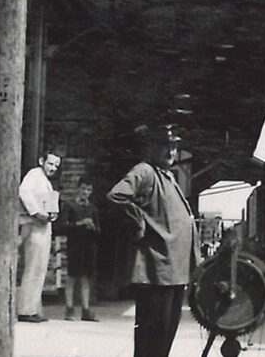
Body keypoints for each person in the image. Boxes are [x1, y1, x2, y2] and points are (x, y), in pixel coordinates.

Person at [107, 125, 201, 357]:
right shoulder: (145, 171)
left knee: (165, 334)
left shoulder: (167, 176)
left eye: (174, 146)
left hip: (173, 271)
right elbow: (116, 196)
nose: (170, 151)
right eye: (164, 146)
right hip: (156, 270)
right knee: (153, 336)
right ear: (150, 147)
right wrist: (138, 220)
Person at [17, 150, 61, 323]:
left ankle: (33, 308)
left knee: (40, 268)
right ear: (42, 161)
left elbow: (50, 203)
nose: (53, 168)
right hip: (34, 226)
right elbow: (24, 192)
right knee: (33, 267)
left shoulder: (46, 181)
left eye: (56, 165)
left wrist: (52, 213)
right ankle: (25, 310)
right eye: (50, 163)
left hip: (44, 226)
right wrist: (35, 212)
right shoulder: (34, 175)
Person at [60, 175, 100, 322]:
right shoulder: (70, 206)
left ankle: (86, 309)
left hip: (88, 246)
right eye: (83, 189)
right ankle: (69, 309)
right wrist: (79, 223)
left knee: (85, 278)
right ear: (78, 188)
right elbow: (62, 226)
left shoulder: (93, 208)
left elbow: (99, 231)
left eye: (88, 190)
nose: (85, 192)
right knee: (71, 277)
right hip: (74, 246)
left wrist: (93, 227)